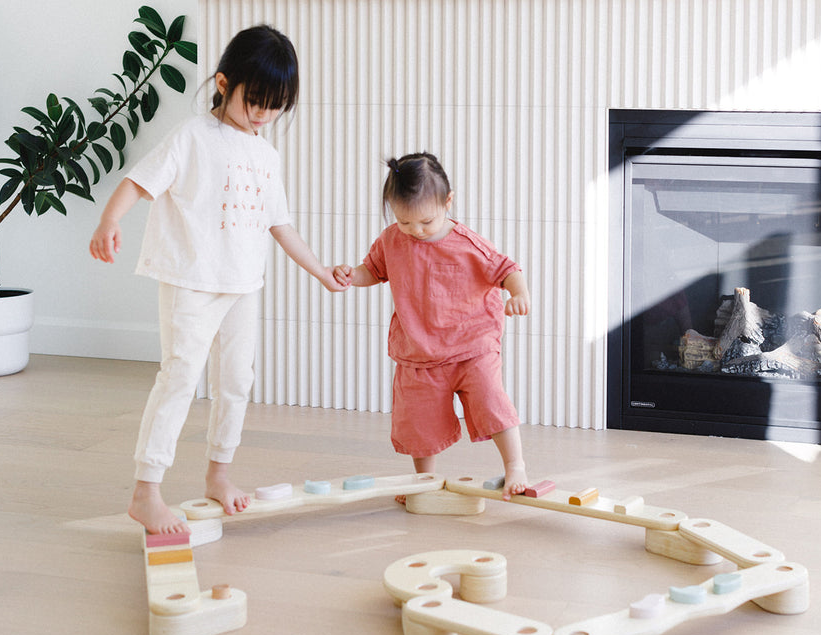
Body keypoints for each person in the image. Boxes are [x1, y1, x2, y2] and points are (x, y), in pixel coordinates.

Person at [89, 25, 346, 535]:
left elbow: (280, 225)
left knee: (236, 381)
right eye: (255, 101)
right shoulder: (192, 136)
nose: (263, 114)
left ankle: (219, 474)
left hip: (242, 286)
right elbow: (139, 180)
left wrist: (320, 271)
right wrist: (109, 221)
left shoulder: (267, 155)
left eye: (275, 106)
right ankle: (146, 491)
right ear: (225, 83)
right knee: (180, 376)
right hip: (191, 281)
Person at [333, 153, 531, 501]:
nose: (416, 230)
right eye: (405, 221)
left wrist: (519, 294)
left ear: (447, 202)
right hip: (419, 350)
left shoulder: (467, 243)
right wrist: (352, 275)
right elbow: (372, 270)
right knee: (418, 422)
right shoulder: (391, 240)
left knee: (491, 400)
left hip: (472, 345)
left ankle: (515, 465)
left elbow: (507, 269)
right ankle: (424, 480)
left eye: (426, 221)